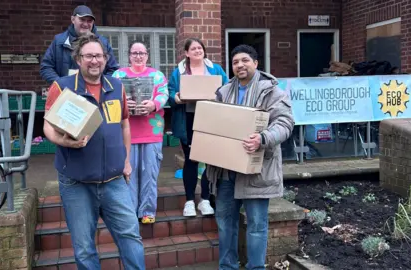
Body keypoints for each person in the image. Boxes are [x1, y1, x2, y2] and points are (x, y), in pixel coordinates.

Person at [43, 33, 145, 270]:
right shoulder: (63, 87)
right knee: (84, 247)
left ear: (106, 58)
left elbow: (124, 124)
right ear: (78, 59)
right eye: (88, 55)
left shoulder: (116, 85)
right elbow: (48, 125)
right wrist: (65, 142)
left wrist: (127, 161)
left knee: (131, 237)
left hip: (114, 180)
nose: (94, 61)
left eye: (99, 55)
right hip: (76, 182)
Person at [207, 44, 294, 270]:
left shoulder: (272, 91)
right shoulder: (223, 92)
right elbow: (214, 125)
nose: (239, 65)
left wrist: (263, 138)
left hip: (257, 171)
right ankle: (228, 267)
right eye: (235, 62)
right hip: (226, 171)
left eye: (245, 60)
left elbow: (285, 123)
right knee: (225, 224)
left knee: (256, 225)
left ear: (256, 63)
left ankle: (256, 268)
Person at [168, 37, 228, 217]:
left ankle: (205, 199)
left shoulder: (215, 69)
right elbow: (171, 91)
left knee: (209, 159)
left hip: (210, 117)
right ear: (186, 53)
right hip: (188, 118)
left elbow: (226, 88)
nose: (197, 50)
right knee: (191, 159)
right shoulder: (178, 72)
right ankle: (188, 201)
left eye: (200, 48)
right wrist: (177, 97)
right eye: (193, 48)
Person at [112, 41, 169, 224]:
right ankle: (129, 211)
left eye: (141, 53)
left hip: (151, 131)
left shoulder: (157, 75)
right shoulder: (118, 75)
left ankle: (147, 212)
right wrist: (121, 103)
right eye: (134, 53)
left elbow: (163, 94)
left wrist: (153, 104)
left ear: (147, 55)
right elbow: (111, 96)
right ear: (129, 55)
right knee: (128, 173)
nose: (138, 56)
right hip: (126, 132)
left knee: (149, 173)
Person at [40, 5, 119, 84]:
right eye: (82, 19)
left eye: (89, 21)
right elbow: (46, 67)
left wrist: (100, 86)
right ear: (73, 19)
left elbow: (113, 70)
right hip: (66, 93)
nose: (86, 24)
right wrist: (61, 84)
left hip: (96, 94)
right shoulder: (59, 42)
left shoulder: (103, 43)